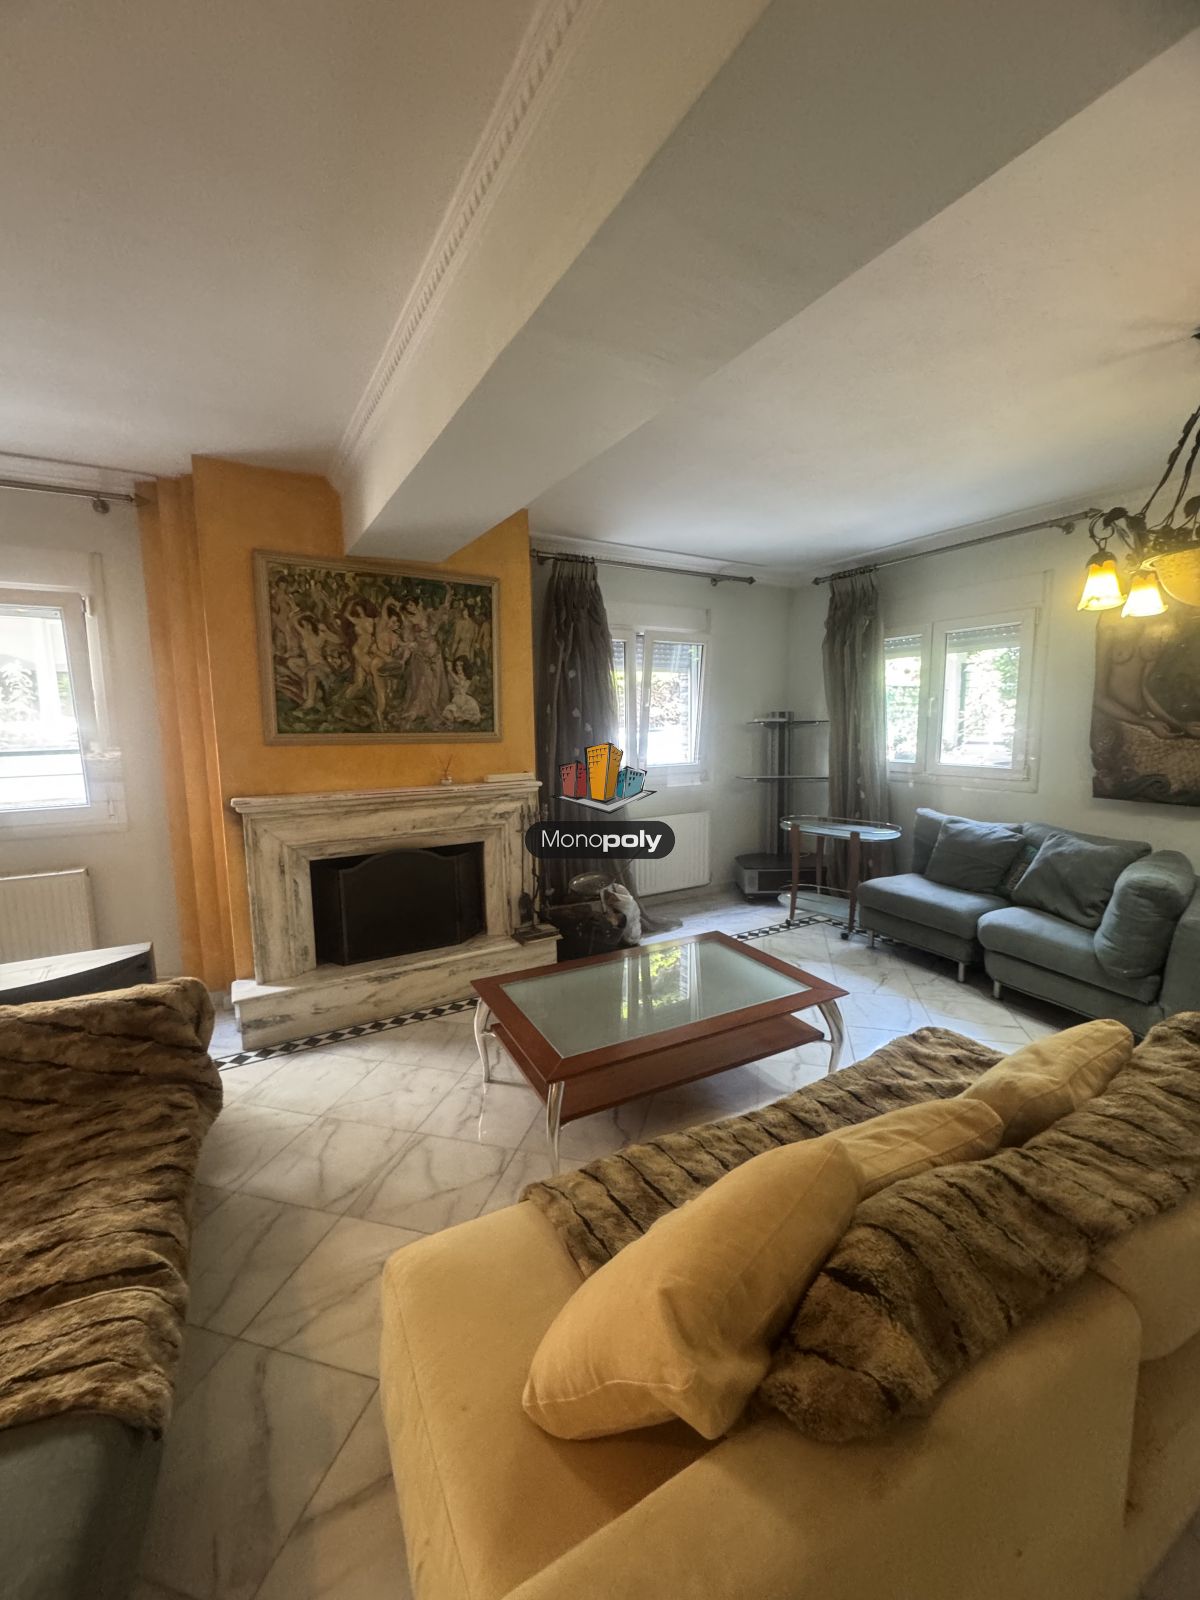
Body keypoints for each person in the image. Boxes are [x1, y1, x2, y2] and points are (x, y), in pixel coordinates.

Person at [442, 656, 482, 725]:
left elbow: (459, 682)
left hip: (464, 699)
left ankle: (463, 718)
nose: (458, 668)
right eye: (457, 665)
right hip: (456, 699)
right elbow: (451, 686)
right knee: (448, 713)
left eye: (461, 665)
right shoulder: (454, 676)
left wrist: (450, 671)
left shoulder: (465, 677)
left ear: (465, 666)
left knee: (469, 711)